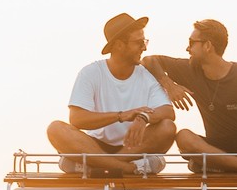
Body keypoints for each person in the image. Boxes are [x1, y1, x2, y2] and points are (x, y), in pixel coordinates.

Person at [142, 19, 237, 174]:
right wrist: (170, 85)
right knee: (183, 137)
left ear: (208, 46)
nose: (187, 48)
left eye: (191, 43)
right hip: (216, 149)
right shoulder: (189, 69)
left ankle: (228, 166)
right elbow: (149, 60)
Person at [47, 13, 176, 176]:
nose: (144, 47)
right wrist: (121, 116)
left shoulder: (147, 75)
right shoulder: (90, 73)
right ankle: (128, 168)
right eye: (139, 42)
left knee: (167, 127)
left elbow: (168, 112)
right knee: (55, 129)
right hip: (94, 146)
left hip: (133, 147)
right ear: (119, 45)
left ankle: (98, 166)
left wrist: (144, 117)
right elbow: (77, 119)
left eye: (145, 41)